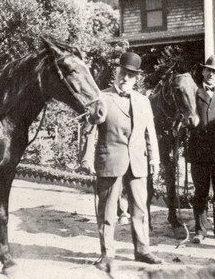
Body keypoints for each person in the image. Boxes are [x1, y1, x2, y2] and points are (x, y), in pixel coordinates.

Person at [80, 52, 163, 272]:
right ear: (116, 73)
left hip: (138, 161)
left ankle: (143, 250)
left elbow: (149, 132)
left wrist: (154, 158)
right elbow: (89, 130)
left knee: (140, 208)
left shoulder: (143, 101)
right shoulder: (102, 98)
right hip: (110, 159)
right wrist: (87, 156)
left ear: (136, 79)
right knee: (107, 211)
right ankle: (107, 254)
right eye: (122, 73)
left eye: (130, 76)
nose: (125, 78)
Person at [185, 54, 215, 244]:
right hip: (199, 152)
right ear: (203, 71)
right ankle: (200, 230)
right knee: (200, 192)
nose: (212, 75)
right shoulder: (193, 94)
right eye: (209, 70)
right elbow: (186, 115)